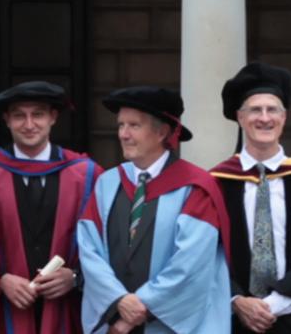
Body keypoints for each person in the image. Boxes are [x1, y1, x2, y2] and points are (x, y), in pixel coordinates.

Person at [77, 86, 230, 334]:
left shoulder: (196, 188)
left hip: (166, 326)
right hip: (113, 321)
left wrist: (139, 309)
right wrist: (118, 300)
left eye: (134, 126)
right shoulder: (108, 183)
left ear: (162, 132)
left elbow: (191, 263)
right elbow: (89, 250)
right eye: (120, 125)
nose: (123, 134)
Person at [208, 63, 291, 334]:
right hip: (231, 320)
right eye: (255, 110)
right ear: (239, 117)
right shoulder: (216, 183)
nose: (264, 118)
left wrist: (274, 304)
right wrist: (237, 299)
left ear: (284, 118)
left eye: (272, 109)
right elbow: (207, 253)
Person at [0, 81, 95, 334]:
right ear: (6, 120)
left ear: (53, 117)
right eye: (19, 115)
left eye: (38, 114)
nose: (29, 125)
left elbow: (105, 243)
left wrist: (75, 277)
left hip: (67, 309)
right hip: (5, 309)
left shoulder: (85, 174)